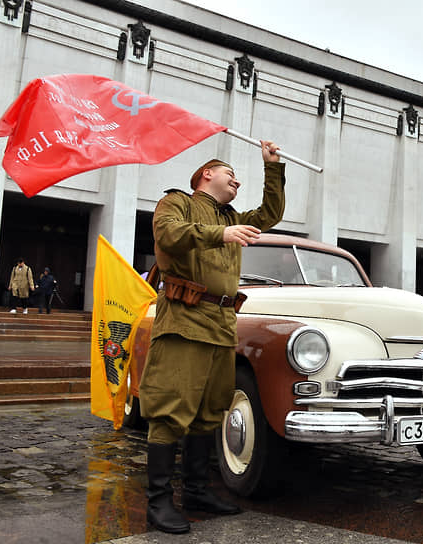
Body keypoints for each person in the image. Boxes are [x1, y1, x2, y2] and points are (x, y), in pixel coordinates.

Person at [139, 142, 286, 534]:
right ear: (207, 174)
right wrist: (221, 233)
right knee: (171, 408)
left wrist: (273, 168)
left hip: (222, 322)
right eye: (229, 174)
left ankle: (197, 491)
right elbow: (169, 237)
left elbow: (269, 215)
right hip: (185, 319)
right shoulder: (177, 202)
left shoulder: (232, 216)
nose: (236, 180)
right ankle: (158, 503)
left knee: (209, 410)